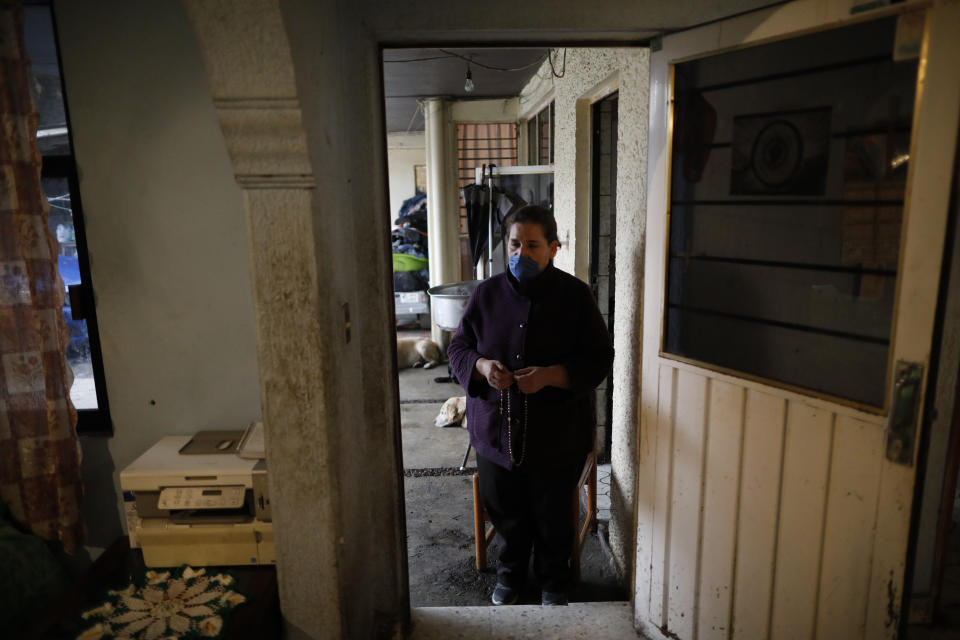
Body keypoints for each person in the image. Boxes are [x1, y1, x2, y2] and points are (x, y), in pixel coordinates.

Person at [447, 205, 614, 607]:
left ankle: (554, 582)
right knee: (506, 512)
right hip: (495, 431)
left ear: (553, 248)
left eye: (533, 245)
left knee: (553, 513)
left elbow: (598, 360)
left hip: (557, 435)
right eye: (515, 243)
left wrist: (551, 376)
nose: (521, 253)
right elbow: (458, 348)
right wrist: (483, 367)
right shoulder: (486, 294)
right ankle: (510, 576)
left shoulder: (575, 296)